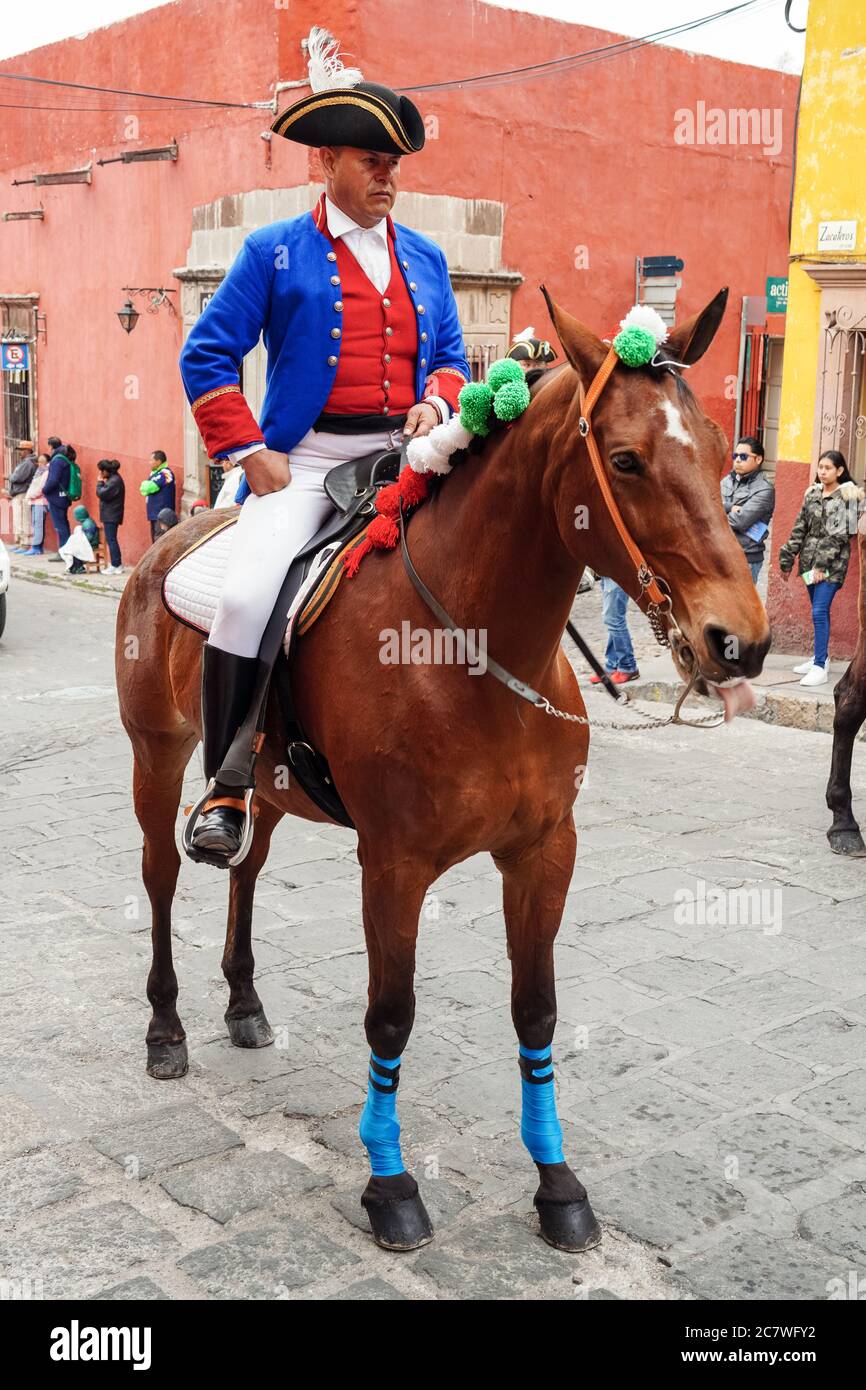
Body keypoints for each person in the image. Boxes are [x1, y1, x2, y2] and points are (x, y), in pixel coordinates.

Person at [178, 30, 469, 862]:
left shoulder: (426, 257)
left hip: (406, 455)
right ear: (328, 163)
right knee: (244, 598)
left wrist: (434, 401)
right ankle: (228, 785)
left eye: (396, 162)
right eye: (373, 160)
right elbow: (206, 353)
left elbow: (449, 358)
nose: (389, 176)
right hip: (304, 464)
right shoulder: (273, 252)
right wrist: (246, 451)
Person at [779, 449, 864, 687]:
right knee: (818, 612)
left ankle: (819, 668)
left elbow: (839, 537)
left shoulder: (848, 497)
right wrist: (787, 559)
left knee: (819, 611)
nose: (823, 472)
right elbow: (799, 528)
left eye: (828, 468)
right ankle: (821, 658)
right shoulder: (813, 494)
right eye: (820, 467)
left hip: (831, 566)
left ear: (840, 470)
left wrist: (820, 567)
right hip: (808, 563)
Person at [720, 435, 775, 583]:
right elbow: (707, 506)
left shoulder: (764, 490)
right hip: (720, 554)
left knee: (739, 606)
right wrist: (730, 507)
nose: (737, 460)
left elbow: (739, 521)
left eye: (744, 456)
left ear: (758, 459)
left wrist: (714, 515)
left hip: (746, 558)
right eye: (735, 455)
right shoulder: (727, 481)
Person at [590, 578, 640, 685]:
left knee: (614, 619)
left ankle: (628, 667)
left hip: (615, 574)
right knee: (612, 621)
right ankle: (612, 666)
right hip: (607, 575)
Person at [41, 437, 73, 558]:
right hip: (63, 496)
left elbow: (53, 480)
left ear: (51, 446)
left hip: (56, 497)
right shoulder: (64, 458)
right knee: (64, 524)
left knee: (60, 526)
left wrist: (44, 490)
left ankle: (64, 552)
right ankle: (66, 550)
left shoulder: (57, 460)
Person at [95, 458, 125, 573]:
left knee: (111, 539)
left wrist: (99, 482)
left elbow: (102, 493)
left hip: (111, 515)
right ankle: (116, 564)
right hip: (111, 514)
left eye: (101, 471)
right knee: (111, 539)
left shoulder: (114, 481)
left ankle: (116, 564)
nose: (100, 474)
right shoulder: (114, 479)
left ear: (106, 471)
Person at [140, 451, 176, 541]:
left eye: (151, 460)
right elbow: (143, 489)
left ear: (159, 461)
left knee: (160, 541)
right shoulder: (155, 474)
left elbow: (149, 487)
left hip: (162, 516)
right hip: (154, 514)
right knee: (155, 540)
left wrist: (146, 485)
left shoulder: (166, 473)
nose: (149, 463)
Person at [8, 439, 37, 552]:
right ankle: (20, 543)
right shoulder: (26, 462)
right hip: (20, 493)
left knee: (22, 519)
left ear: (28, 450)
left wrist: (10, 477)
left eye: (21, 450)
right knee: (19, 519)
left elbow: (17, 478)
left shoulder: (27, 463)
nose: (19, 452)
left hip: (22, 493)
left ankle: (24, 543)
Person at [22, 452, 50, 555]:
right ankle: (36, 547)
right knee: (35, 524)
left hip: (40, 501)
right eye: (39, 462)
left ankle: (36, 547)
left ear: (47, 462)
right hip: (34, 501)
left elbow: (41, 488)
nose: (40, 463)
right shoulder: (39, 471)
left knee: (38, 524)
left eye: (42, 462)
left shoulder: (46, 472)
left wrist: (31, 495)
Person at [60, 504, 99, 575]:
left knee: (74, 550)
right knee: (71, 548)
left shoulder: (88, 524)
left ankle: (78, 567)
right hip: (88, 543)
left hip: (91, 545)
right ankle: (75, 566)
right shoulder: (85, 522)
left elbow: (88, 538)